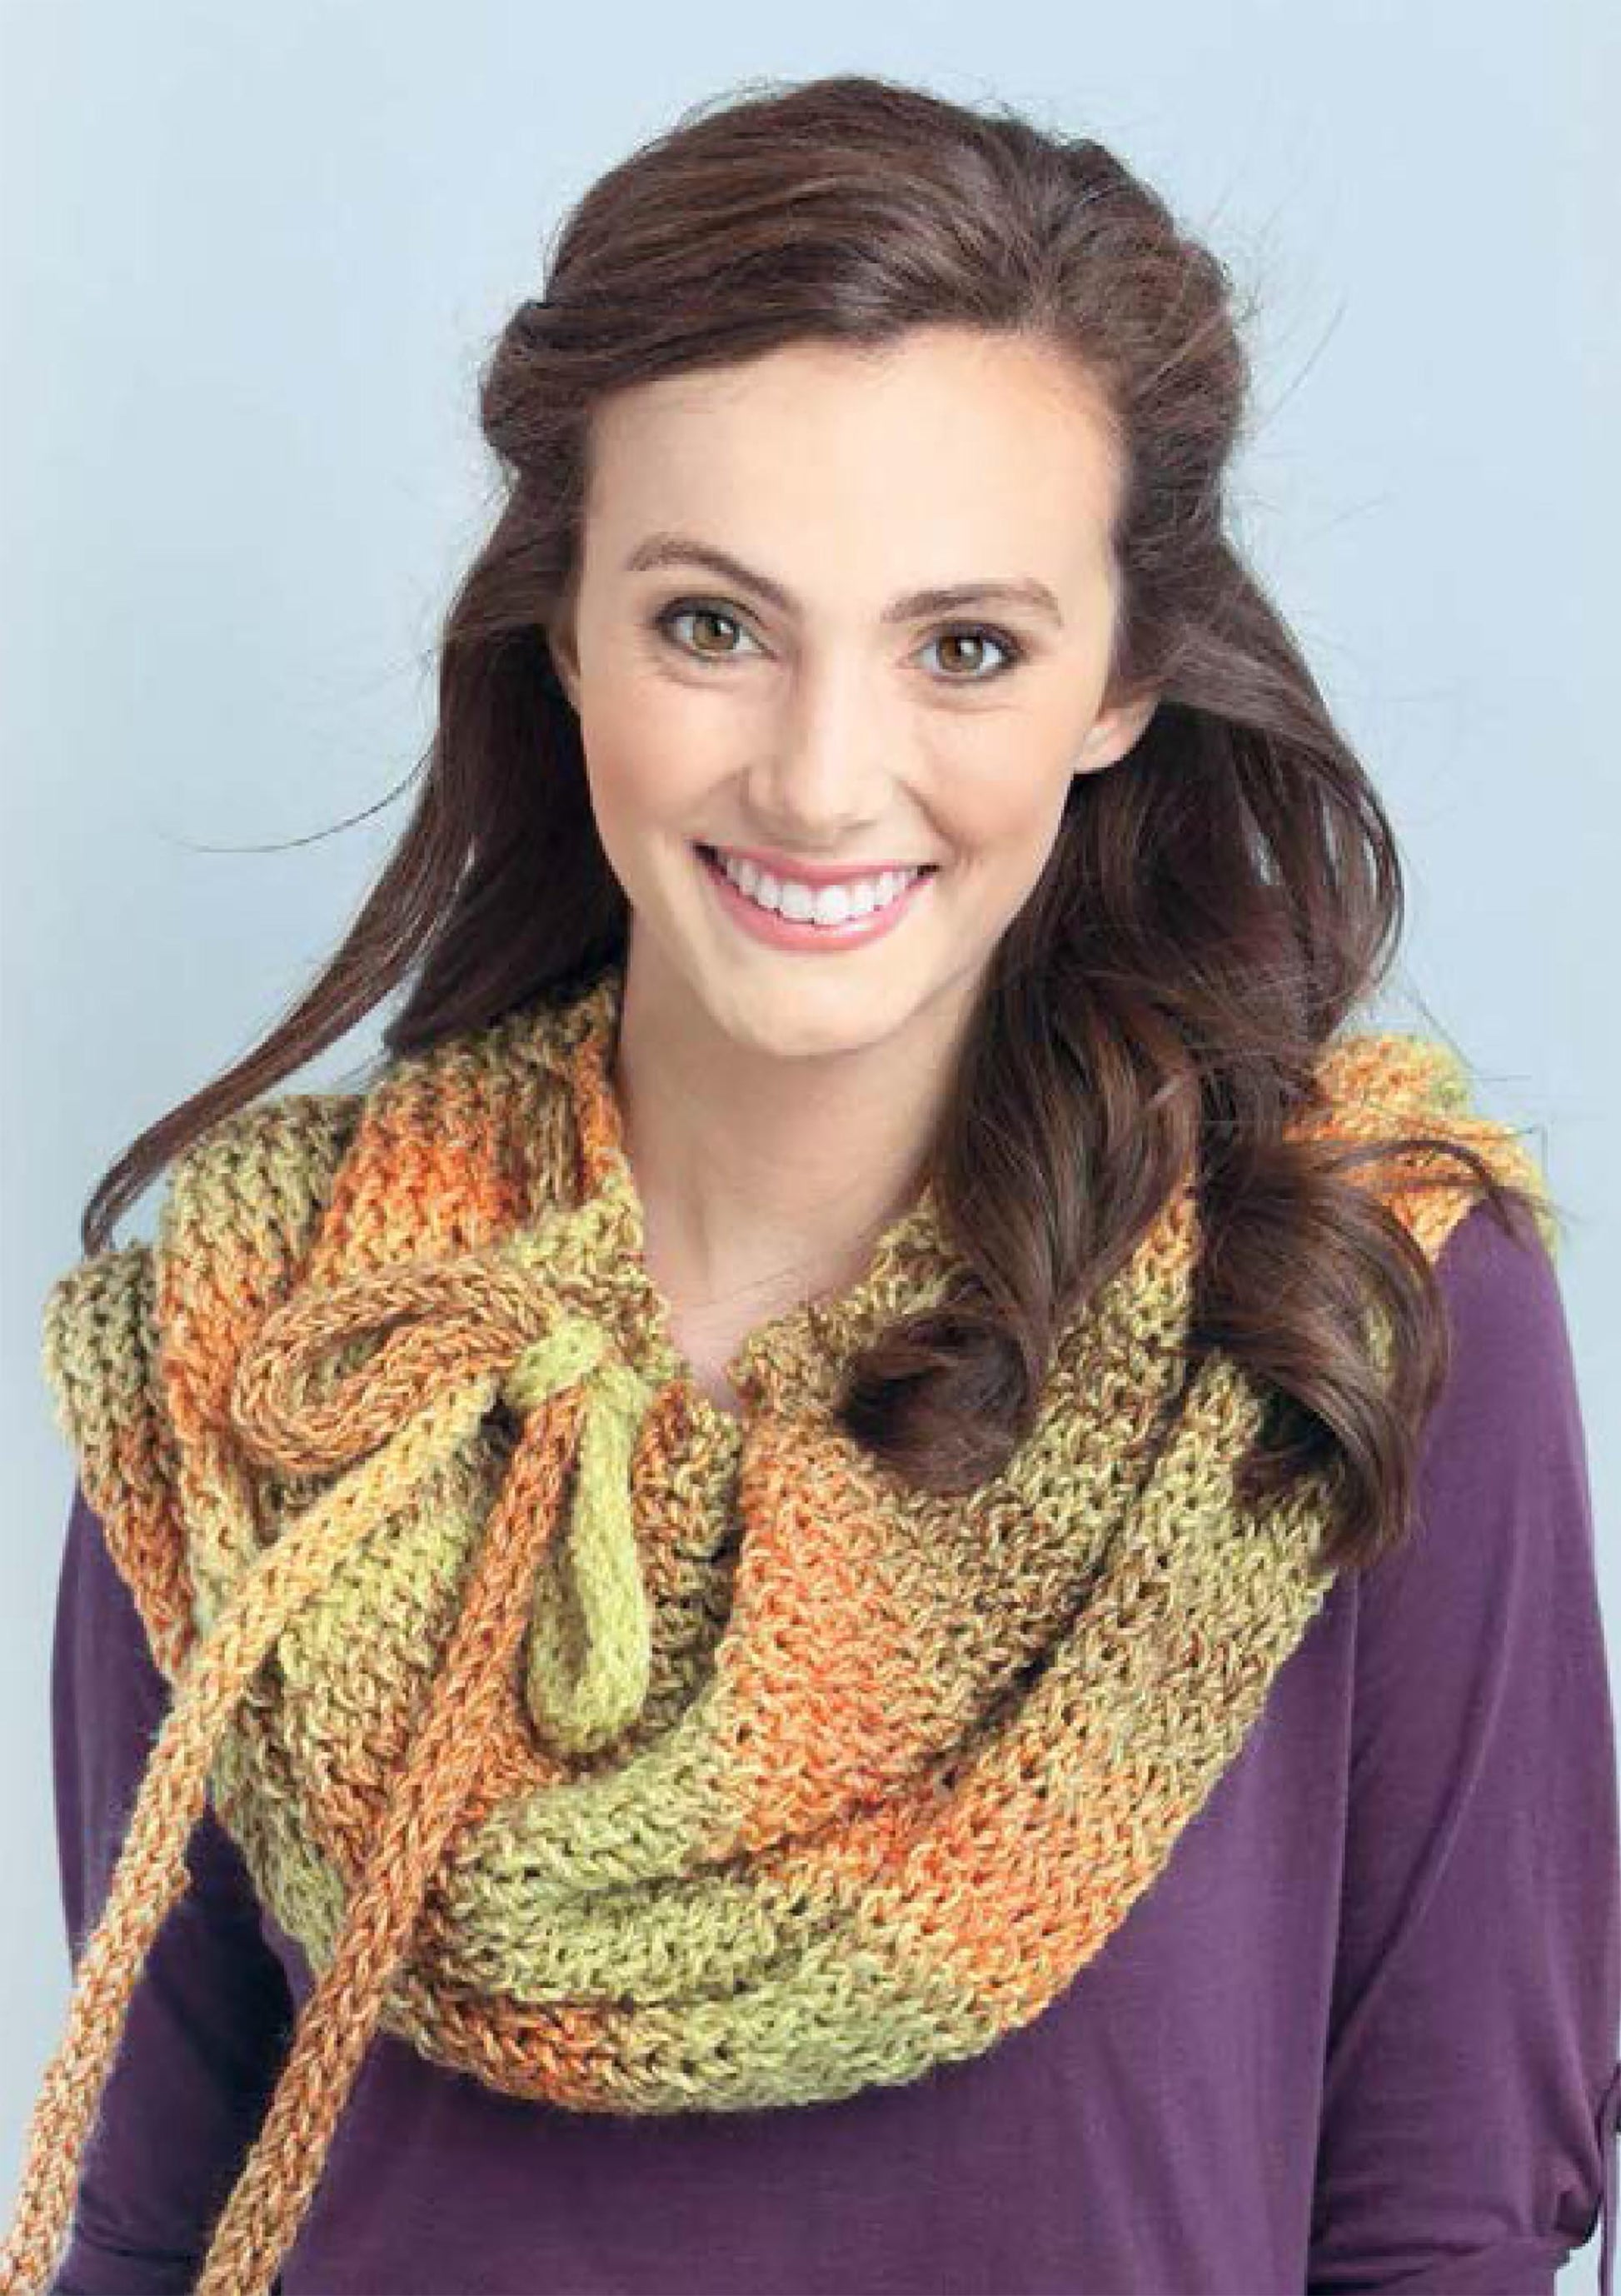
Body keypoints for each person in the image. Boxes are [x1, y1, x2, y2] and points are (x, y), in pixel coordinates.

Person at [4, 68, 1617, 2296]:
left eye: (965, 647)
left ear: (1123, 679)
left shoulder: (1346, 1290)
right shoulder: (280, 1342)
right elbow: (142, 2225)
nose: (824, 778)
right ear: (562, 626)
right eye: (711, 624)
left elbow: (1447, 2234)